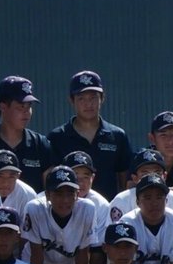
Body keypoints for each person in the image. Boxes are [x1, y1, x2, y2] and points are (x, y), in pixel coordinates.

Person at [46, 70, 134, 199]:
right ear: (71, 100)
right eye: (81, 99)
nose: (88, 104)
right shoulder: (57, 137)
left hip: (108, 208)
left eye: (93, 98)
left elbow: (124, 181)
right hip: (70, 208)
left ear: (102, 98)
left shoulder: (117, 136)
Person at [0, 75, 54, 190]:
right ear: (3, 107)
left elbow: (50, 190)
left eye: (29, 106)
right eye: (21, 107)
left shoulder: (41, 145)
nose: (27, 112)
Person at [109, 148, 173, 221]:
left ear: (165, 176)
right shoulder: (122, 200)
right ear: (135, 178)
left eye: (157, 173)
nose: (151, 177)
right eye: (145, 173)